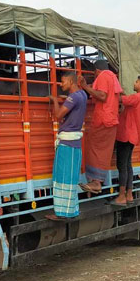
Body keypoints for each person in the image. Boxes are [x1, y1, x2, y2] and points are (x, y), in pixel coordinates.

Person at [45, 72, 88, 221]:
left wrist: (55, 101)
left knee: (62, 177)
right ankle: (70, 211)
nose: (61, 84)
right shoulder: (82, 95)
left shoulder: (73, 97)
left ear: (70, 81)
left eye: (63, 82)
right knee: (70, 178)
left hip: (67, 143)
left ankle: (62, 213)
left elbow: (58, 115)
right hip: (74, 142)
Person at [78, 60, 123, 193]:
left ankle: (96, 182)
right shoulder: (112, 77)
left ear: (96, 71)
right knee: (102, 150)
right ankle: (96, 181)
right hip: (111, 119)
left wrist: (85, 87)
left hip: (103, 119)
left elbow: (102, 95)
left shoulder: (103, 76)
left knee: (93, 147)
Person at [113, 75, 140, 204]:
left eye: (136, 82)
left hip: (126, 134)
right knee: (128, 165)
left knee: (122, 165)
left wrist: (112, 90)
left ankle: (121, 196)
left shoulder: (137, 97)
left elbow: (120, 99)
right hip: (134, 135)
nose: (134, 84)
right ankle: (129, 194)